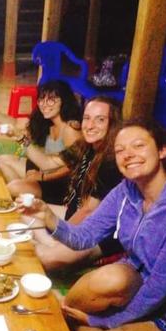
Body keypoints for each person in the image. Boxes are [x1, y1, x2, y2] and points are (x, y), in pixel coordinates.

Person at [21, 118, 166, 331]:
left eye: (139, 146)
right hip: (136, 279)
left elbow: (159, 288)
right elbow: (84, 237)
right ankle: (69, 311)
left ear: (163, 150)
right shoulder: (127, 190)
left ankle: (76, 320)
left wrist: (98, 322)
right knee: (112, 277)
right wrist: (47, 216)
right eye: (120, 150)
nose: (128, 155)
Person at [20, 96, 125, 271]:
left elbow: (88, 210)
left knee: (47, 258)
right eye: (87, 118)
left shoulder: (110, 161)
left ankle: (48, 245)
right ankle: (46, 242)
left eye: (100, 120)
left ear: (112, 124)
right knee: (25, 212)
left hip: (100, 232)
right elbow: (47, 163)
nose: (90, 125)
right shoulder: (84, 145)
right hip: (73, 212)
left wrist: (60, 235)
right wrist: (20, 139)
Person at [0, 80, 82, 202]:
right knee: (2, 160)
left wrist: (44, 177)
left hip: (60, 183)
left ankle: (24, 196)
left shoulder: (71, 129)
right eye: (41, 99)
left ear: (64, 101)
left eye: (51, 99)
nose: (44, 104)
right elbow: (16, 123)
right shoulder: (46, 121)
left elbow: (72, 166)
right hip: (44, 168)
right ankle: (24, 197)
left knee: (13, 187)